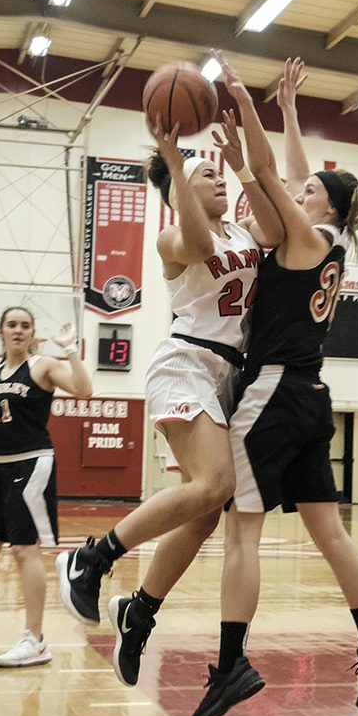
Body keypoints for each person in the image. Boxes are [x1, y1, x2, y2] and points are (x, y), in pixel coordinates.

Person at [184, 52, 358, 716]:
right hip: (311, 396)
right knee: (329, 530)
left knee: (241, 529)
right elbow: (298, 176)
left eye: (311, 193)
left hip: (273, 391)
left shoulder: (304, 235)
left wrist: (245, 103)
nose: (300, 192)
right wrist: (288, 110)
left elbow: (274, 176)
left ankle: (231, 664)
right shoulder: (328, 239)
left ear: (323, 207)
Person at [55, 111, 282, 636]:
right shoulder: (170, 240)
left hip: (227, 373)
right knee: (214, 483)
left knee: (205, 509)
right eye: (209, 175)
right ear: (180, 190)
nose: (217, 178)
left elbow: (273, 228)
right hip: (184, 363)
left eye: (216, 174)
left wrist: (242, 168)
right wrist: (178, 167)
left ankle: (140, 608)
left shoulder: (243, 232)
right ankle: (92, 557)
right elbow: (200, 247)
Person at [0, 308, 91, 666]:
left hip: (31, 465)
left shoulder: (43, 366)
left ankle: (35, 639)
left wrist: (70, 348)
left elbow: (85, 390)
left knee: (25, 551)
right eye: (12, 325)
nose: (18, 330)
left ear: (32, 333)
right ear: (0, 332)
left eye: (25, 325)